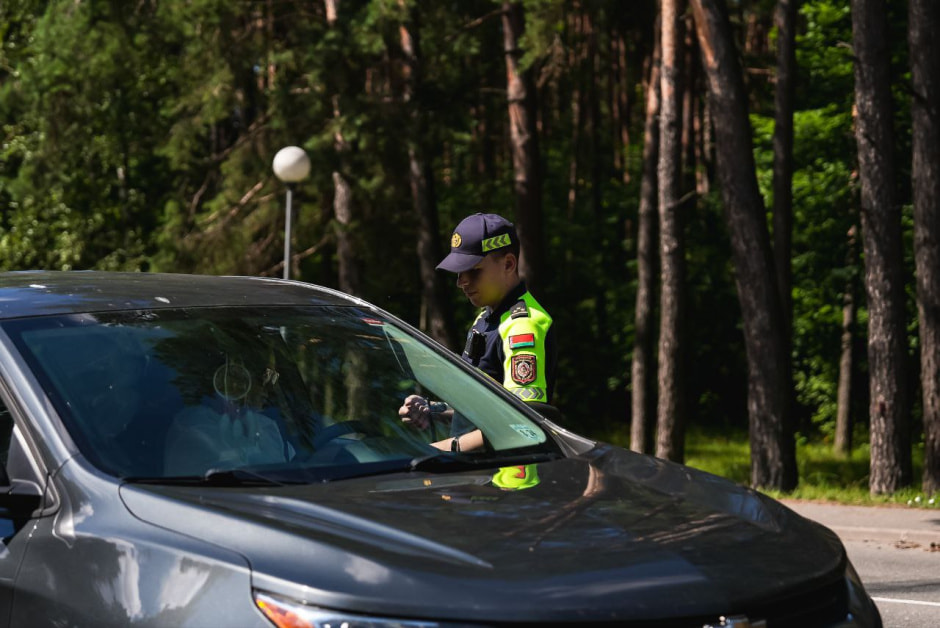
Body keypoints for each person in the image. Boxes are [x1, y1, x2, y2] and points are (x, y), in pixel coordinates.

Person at [399, 213, 556, 452]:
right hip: (479, 477)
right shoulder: (487, 317)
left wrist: (443, 449)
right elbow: (489, 411)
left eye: (473, 270)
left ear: (508, 264)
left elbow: (522, 424)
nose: (461, 282)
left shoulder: (522, 326)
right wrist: (435, 413)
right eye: (459, 273)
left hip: (506, 482)